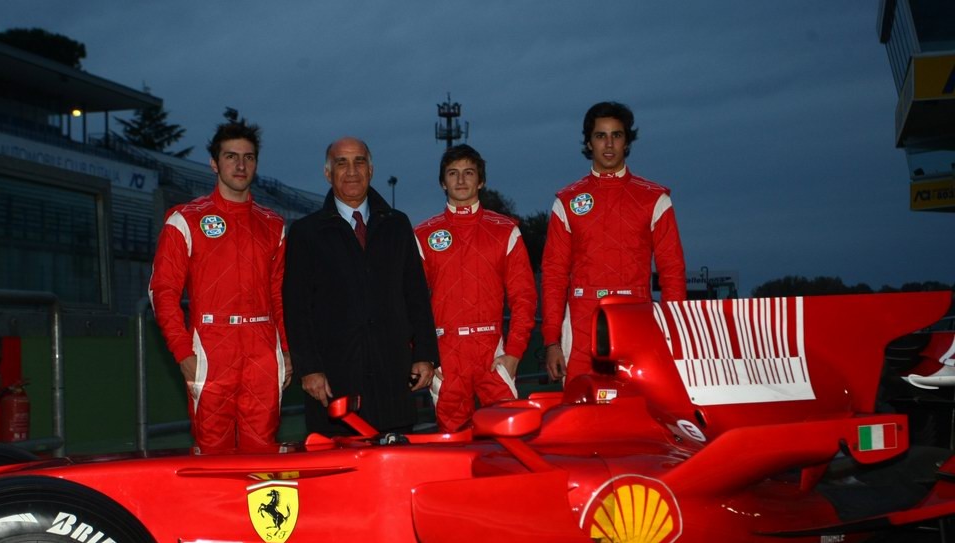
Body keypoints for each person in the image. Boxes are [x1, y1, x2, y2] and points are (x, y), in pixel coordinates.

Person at [149, 119, 291, 454]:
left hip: (262, 349)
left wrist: (285, 350)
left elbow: (279, 294)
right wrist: (184, 353)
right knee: (213, 454)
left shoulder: (274, 224)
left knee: (263, 454)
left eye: (249, 157)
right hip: (211, 348)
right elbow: (163, 291)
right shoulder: (185, 219)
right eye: (231, 156)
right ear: (214, 163)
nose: (240, 165)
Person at [283, 137, 438, 435]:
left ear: (371, 170)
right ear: (328, 173)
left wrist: (425, 353)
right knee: (338, 475)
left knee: (394, 471)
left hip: (391, 377)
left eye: (359, 161)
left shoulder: (397, 224)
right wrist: (309, 369)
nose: (352, 170)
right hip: (333, 383)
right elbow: (296, 309)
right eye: (342, 162)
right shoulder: (307, 233)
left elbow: (416, 294)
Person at [541, 101, 686, 384]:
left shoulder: (655, 198)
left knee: (637, 415)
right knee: (580, 417)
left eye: (616, 135)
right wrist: (552, 341)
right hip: (581, 324)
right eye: (600, 135)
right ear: (589, 142)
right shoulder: (567, 201)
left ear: (627, 141)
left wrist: (674, 332)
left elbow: (672, 271)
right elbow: (554, 275)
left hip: (637, 318)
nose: (609, 144)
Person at [413, 144, 537, 432]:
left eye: (469, 173)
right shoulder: (424, 234)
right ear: (443, 182)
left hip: (492, 351)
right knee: (453, 442)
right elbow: (413, 303)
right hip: (447, 353)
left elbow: (524, 298)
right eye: (453, 173)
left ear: (480, 180)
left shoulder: (505, 230)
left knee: (510, 436)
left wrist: (515, 353)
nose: (460, 180)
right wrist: (421, 355)